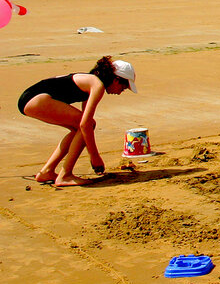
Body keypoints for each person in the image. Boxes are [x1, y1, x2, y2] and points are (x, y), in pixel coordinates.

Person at [17, 56, 137, 187]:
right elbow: (86, 124)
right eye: (123, 88)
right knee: (87, 125)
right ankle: (65, 175)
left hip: (29, 99)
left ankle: (47, 171)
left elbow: (84, 124)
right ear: (116, 80)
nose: (120, 92)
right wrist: (95, 157)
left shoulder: (91, 80)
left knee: (78, 129)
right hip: (36, 99)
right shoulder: (97, 85)